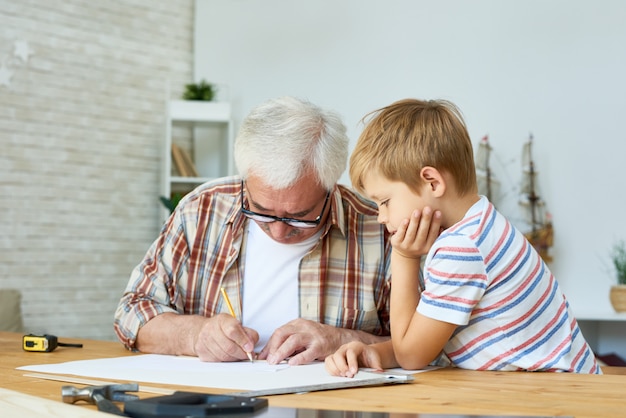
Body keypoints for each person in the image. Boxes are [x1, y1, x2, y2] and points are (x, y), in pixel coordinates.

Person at [114, 96, 442, 365]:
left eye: (299, 216)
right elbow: (132, 313)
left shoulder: (381, 228)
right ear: (246, 181)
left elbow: (434, 348)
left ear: (331, 187)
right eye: (261, 211)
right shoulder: (200, 211)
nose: (278, 231)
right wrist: (195, 334)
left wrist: (342, 339)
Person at [325, 98, 601, 375]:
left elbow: (411, 355)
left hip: (563, 398)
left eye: (384, 201)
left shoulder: (461, 247)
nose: (381, 217)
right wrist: (373, 353)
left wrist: (404, 257)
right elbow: (433, 341)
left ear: (432, 182)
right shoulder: (481, 223)